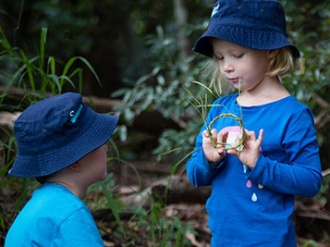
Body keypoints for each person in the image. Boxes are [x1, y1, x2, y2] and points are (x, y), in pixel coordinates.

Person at [186, 0, 323, 246]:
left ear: (270, 50)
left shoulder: (292, 115)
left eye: (237, 55)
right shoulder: (220, 109)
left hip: (270, 240)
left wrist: (260, 164)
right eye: (220, 57)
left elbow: (311, 180)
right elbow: (195, 176)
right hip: (223, 238)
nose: (227, 66)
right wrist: (208, 160)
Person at [5, 92, 118, 246]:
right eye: (98, 142)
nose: (105, 148)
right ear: (75, 161)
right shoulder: (70, 214)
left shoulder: (43, 204)